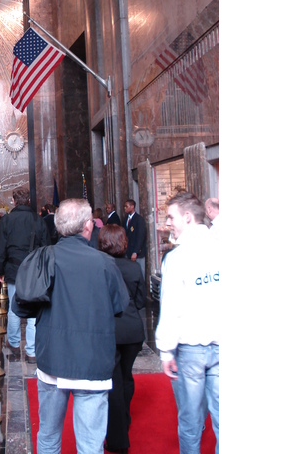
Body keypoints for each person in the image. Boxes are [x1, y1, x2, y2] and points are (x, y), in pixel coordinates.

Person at [34, 199, 129, 453]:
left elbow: (22, 305)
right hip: (92, 361)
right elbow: (120, 306)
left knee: (48, 436)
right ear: (88, 226)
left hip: (53, 357)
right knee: (90, 444)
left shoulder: (44, 258)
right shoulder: (105, 264)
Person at [155, 192, 220, 454]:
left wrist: (166, 350)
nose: (168, 222)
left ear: (189, 217)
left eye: (171, 217)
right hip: (222, 341)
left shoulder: (177, 258)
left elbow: (170, 308)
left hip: (190, 348)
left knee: (191, 422)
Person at [99, 224, 146, 454]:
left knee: (114, 382)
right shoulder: (134, 268)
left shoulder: (100, 267)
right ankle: (124, 420)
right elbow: (140, 301)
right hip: (133, 331)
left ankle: (118, 439)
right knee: (126, 377)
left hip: (111, 330)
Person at [0, 188, 50, 363]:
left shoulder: (7, 220)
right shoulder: (38, 220)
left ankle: (15, 344)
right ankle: (32, 351)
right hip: (34, 271)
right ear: (29, 201)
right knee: (34, 311)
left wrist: (0, 270)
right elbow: (46, 247)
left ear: (13, 200)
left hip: (14, 270)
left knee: (13, 309)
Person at [123, 199, 147, 279]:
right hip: (128, 251)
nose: (125, 208)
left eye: (126, 206)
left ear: (132, 206)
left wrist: (136, 251)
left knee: (140, 274)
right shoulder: (125, 219)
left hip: (137, 253)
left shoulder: (139, 219)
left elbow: (140, 236)